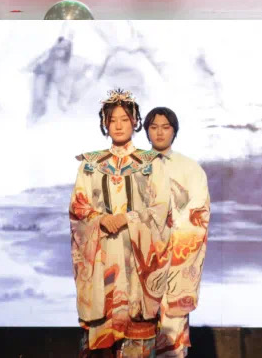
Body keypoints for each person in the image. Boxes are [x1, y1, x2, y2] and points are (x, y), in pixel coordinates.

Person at [70, 90, 172, 358]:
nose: (118, 125)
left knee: (137, 327)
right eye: (112, 120)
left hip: (136, 260)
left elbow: (161, 207)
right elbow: (78, 207)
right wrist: (101, 219)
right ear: (104, 123)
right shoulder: (90, 165)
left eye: (124, 120)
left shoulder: (151, 163)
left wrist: (127, 218)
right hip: (101, 256)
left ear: (135, 121)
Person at [143, 107, 210, 358]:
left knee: (172, 327)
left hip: (175, 256)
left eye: (165, 127)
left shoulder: (191, 168)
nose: (159, 132)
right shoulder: (135, 167)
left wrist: (169, 230)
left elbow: (199, 209)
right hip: (141, 255)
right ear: (146, 131)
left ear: (174, 131)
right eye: (154, 127)